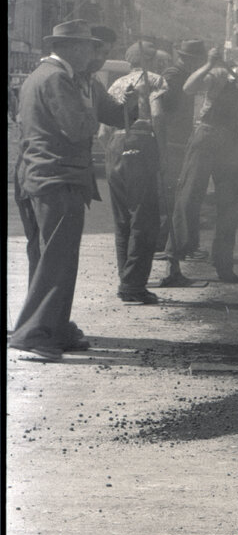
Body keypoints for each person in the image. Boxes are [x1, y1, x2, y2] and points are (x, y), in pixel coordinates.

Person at [9, 21, 138, 361]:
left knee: (48, 258)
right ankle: (36, 334)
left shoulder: (59, 77)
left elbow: (113, 113)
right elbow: (79, 127)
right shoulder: (57, 79)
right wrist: (89, 102)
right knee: (57, 260)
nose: (93, 54)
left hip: (40, 176)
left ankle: (53, 325)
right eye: (87, 47)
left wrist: (134, 99)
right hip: (56, 177)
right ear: (67, 48)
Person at [169, 41, 238, 284]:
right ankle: (174, 264)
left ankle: (224, 265)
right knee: (188, 199)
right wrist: (209, 64)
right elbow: (189, 88)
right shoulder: (220, 75)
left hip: (230, 143)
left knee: (229, 207)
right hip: (206, 137)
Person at [103, 43, 168, 304]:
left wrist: (114, 151)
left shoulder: (116, 84)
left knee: (122, 221)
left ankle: (126, 279)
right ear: (151, 61)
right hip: (142, 143)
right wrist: (162, 153)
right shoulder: (153, 80)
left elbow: (102, 131)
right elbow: (159, 117)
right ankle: (133, 286)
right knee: (144, 218)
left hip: (115, 146)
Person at [152, 40, 208, 286]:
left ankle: (172, 252)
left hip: (178, 142)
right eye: (197, 59)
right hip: (172, 144)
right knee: (172, 200)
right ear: (188, 58)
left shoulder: (181, 75)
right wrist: (164, 145)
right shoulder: (174, 77)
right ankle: (167, 256)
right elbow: (162, 113)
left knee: (176, 199)